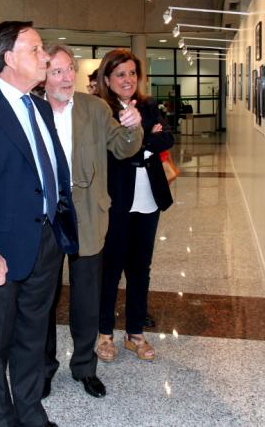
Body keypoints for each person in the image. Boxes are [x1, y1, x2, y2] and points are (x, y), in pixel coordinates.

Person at [0, 21, 78, 427]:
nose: (46, 57)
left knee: (32, 336)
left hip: (44, 243)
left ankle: (29, 409)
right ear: (9, 59)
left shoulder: (39, 106)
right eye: (36, 49)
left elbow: (51, 172)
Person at [41, 44, 143, 400]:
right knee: (43, 298)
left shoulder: (95, 108)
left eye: (70, 69)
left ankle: (84, 367)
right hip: (46, 216)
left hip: (87, 213)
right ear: (43, 75)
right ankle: (43, 369)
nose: (67, 77)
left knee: (86, 297)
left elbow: (122, 147)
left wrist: (132, 127)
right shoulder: (32, 110)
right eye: (57, 71)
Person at [95, 49, 174, 363]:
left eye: (131, 73)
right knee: (111, 270)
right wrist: (144, 144)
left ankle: (134, 334)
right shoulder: (102, 110)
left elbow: (166, 138)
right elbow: (112, 152)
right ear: (107, 79)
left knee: (141, 270)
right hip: (117, 200)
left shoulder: (149, 104)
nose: (127, 80)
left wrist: (140, 145)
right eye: (120, 74)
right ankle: (104, 334)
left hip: (148, 199)